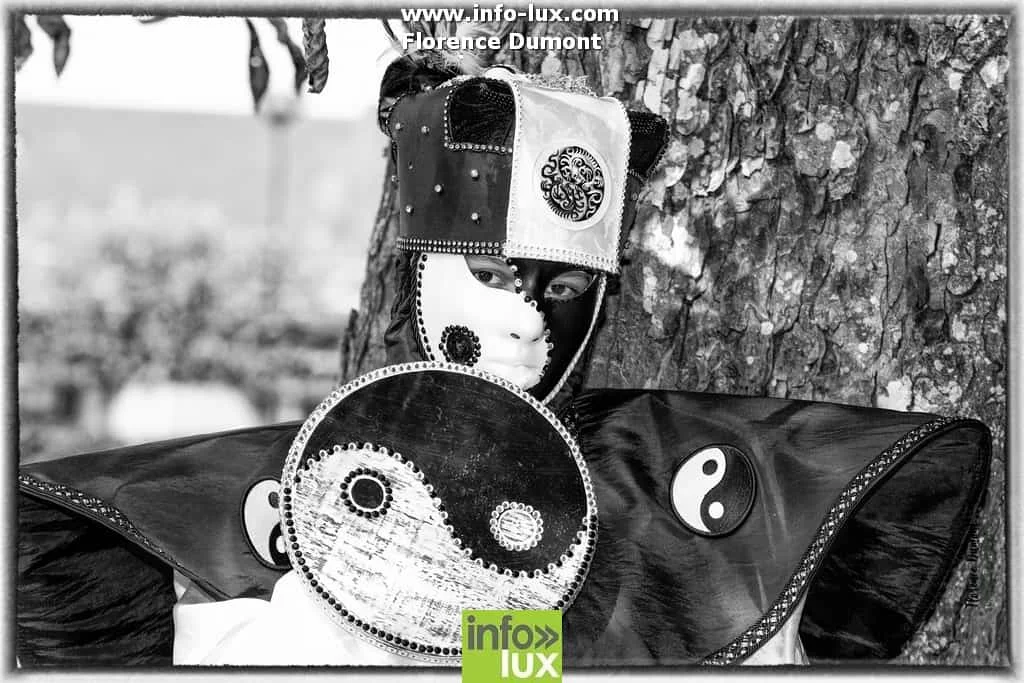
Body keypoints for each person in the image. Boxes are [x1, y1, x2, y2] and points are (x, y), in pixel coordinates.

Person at [16, 51, 991, 667]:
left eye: (562, 287)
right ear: (421, 272)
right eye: (490, 275)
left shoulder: (670, 470)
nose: (528, 321)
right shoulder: (302, 483)